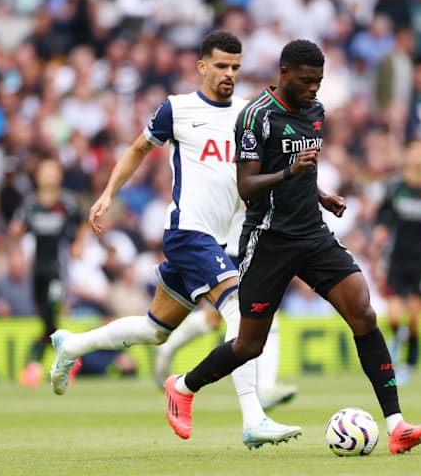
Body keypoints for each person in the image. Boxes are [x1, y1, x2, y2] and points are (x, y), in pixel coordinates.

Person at [163, 39, 421, 455]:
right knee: (248, 345)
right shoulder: (256, 117)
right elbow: (248, 186)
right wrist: (290, 173)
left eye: (320, 81)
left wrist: (321, 194)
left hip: (312, 235)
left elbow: (305, 170)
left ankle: (397, 424)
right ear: (285, 74)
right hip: (268, 240)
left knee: (363, 312)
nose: (314, 88)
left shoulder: (315, 111)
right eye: (307, 81)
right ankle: (183, 386)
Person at [48, 31, 301, 448]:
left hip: (217, 240)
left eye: (235, 67)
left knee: (155, 329)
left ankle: (71, 345)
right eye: (221, 66)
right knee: (241, 310)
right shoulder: (178, 109)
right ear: (202, 66)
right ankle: (253, 417)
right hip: (187, 232)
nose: (229, 74)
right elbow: (136, 150)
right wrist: (109, 192)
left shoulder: (246, 114)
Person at [154, 208, 298, 411]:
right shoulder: (239, 176)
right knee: (256, 316)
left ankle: (266, 388)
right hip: (228, 250)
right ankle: (265, 389)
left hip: (251, 248)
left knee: (227, 318)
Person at [371, 140, 421, 385]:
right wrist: (380, 233)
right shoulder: (395, 186)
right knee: (394, 317)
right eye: (413, 151)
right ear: (407, 155)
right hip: (396, 258)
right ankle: (398, 339)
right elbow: (383, 216)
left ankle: (409, 364)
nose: (417, 156)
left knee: (414, 318)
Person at [10, 157, 86, 387]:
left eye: (53, 172)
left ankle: (35, 365)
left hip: (58, 270)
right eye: (45, 172)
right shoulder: (30, 204)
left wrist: (79, 243)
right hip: (38, 270)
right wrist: (17, 253)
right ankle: (70, 358)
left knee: (50, 314)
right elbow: (16, 230)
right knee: (46, 319)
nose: (49, 176)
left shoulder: (66, 203)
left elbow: (83, 221)